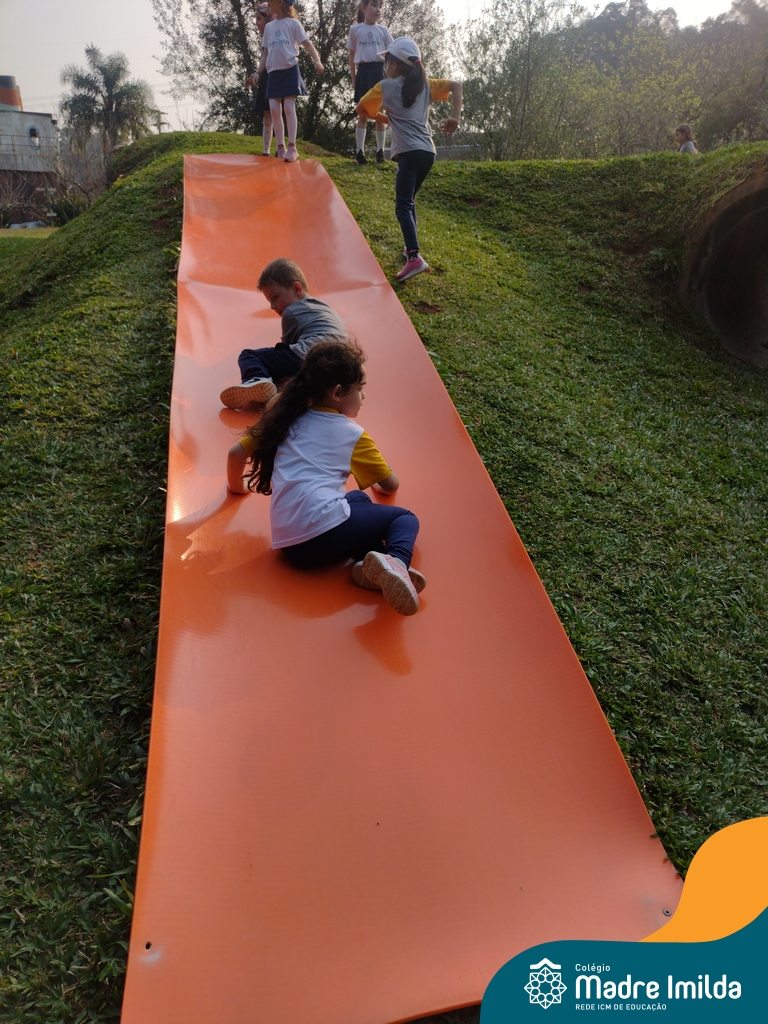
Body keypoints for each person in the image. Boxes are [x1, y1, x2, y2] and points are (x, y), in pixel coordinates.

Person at [227, 341, 425, 615]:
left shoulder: (285, 419)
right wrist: (384, 472)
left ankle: (370, 565)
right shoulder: (352, 434)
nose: (364, 397)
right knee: (404, 518)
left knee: (358, 499)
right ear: (338, 392)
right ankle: (398, 562)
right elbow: (391, 485)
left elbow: (235, 452)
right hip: (323, 534)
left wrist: (236, 487)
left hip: (292, 548)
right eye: (360, 389)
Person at [356, 37, 462, 282]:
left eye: (387, 62)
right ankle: (410, 248)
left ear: (395, 65)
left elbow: (361, 109)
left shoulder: (385, 86)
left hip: (409, 153)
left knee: (402, 205)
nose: (385, 66)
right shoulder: (426, 85)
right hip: (428, 153)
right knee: (409, 199)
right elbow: (456, 85)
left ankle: (414, 258)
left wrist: (388, 118)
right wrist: (455, 118)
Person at [220, 258, 348, 410]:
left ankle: (256, 379)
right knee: (287, 369)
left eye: (275, 297)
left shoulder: (291, 311)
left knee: (249, 356)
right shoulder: (325, 309)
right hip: (336, 371)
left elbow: (286, 350)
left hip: (310, 357)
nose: (272, 306)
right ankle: (290, 395)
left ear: (297, 289)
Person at [252, 0, 324, 162]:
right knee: (274, 109)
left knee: (289, 107)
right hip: (273, 73)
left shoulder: (293, 24)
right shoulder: (269, 28)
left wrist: (317, 61)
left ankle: (292, 146)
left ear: (280, 2)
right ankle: (280, 147)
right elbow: (265, 54)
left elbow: (307, 44)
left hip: (290, 70)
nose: (268, 4)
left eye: (271, 1)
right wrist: (258, 72)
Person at [347, 0, 393, 165]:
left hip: (379, 72)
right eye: (374, 5)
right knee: (363, 112)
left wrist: (391, 77)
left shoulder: (383, 31)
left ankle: (380, 152)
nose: (377, 9)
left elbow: (392, 53)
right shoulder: (355, 30)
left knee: (380, 112)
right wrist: (353, 78)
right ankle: (360, 152)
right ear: (364, 7)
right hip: (363, 72)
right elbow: (352, 55)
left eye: (380, 6)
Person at [245, 3, 275, 157]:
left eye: (259, 19)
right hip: (266, 76)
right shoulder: (265, 38)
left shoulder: (276, 34)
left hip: (278, 76)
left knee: (278, 112)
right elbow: (264, 58)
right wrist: (256, 74)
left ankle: (281, 148)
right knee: (267, 113)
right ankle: (266, 151)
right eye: (255, 19)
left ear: (268, 19)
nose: (256, 23)